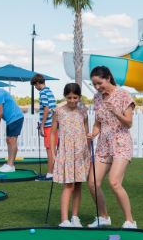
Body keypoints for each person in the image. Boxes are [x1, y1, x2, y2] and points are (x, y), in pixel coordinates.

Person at [85, 66, 137, 228]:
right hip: (103, 144)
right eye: (94, 84)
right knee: (92, 183)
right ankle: (104, 217)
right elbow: (97, 123)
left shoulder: (123, 95)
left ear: (108, 78)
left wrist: (115, 111)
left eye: (99, 83)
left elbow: (128, 123)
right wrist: (93, 134)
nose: (97, 87)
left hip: (121, 142)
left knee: (114, 182)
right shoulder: (97, 98)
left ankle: (130, 221)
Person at [51, 83, 90, 227]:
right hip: (66, 152)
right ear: (64, 97)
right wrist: (54, 154)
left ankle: (75, 217)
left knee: (78, 184)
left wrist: (89, 152)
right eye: (69, 98)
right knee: (69, 185)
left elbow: (86, 133)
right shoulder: (58, 112)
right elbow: (53, 133)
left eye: (75, 97)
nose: (72, 100)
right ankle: (64, 220)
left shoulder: (83, 112)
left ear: (79, 97)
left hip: (81, 152)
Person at [32, 74, 57, 180]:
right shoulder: (49, 91)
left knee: (49, 149)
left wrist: (42, 125)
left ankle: (51, 173)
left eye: (34, 86)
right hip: (54, 123)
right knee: (53, 149)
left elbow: (46, 109)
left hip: (48, 125)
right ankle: (55, 172)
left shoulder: (42, 93)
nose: (35, 88)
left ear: (37, 83)